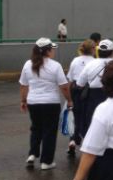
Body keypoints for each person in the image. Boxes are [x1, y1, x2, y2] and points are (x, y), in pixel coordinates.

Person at [19, 38, 73, 170]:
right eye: (52, 49)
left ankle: (32, 154)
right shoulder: (55, 65)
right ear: (48, 51)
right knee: (49, 131)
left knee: (36, 128)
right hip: (50, 103)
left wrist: (23, 100)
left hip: (33, 102)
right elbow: (64, 86)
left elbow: (23, 85)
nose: (53, 51)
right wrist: (69, 100)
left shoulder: (28, 64)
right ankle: (46, 162)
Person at [76, 39, 113, 142]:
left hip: (93, 98)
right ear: (112, 52)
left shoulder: (91, 64)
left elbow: (79, 84)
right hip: (112, 96)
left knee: (93, 122)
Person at [66, 39, 96, 156]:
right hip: (88, 90)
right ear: (93, 49)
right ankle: (86, 143)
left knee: (75, 115)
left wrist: (69, 98)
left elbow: (70, 78)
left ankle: (73, 140)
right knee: (87, 117)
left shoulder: (75, 60)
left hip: (75, 89)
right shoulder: (94, 61)